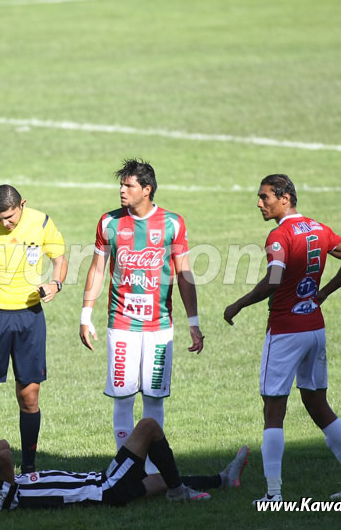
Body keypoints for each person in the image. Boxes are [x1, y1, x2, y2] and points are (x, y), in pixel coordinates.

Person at [223, 174, 341, 504]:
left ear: (285, 198)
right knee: (317, 403)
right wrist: (323, 294)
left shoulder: (279, 235)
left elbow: (274, 280)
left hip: (286, 331)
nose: (259, 203)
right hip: (314, 328)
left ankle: (273, 494)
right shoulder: (319, 228)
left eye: (265, 197)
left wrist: (239, 303)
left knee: (273, 410)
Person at [79, 159, 204, 481]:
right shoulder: (108, 222)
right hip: (121, 325)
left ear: (146, 190)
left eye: (129, 185)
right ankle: (127, 466)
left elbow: (185, 274)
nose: (122, 190)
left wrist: (194, 321)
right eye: (121, 184)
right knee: (122, 396)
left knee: (153, 398)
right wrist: (85, 314)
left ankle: (150, 468)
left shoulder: (173, 224)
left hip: (159, 327)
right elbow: (96, 269)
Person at [0, 184, 67, 472]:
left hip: (29, 315)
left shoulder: (42, 222)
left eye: (9, 217)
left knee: (29, 396)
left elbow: (59, 260)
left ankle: (29, 468)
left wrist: (55, 283)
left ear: (23, 204)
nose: (5, 223)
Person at [0, 417, 249, 511]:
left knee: (158, 480)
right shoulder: (1, 500)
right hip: (105, 487)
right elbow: (5, 457)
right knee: (148, 427)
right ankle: (178, 492)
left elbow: (2, 446)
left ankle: (223, 480)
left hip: (104, 486)